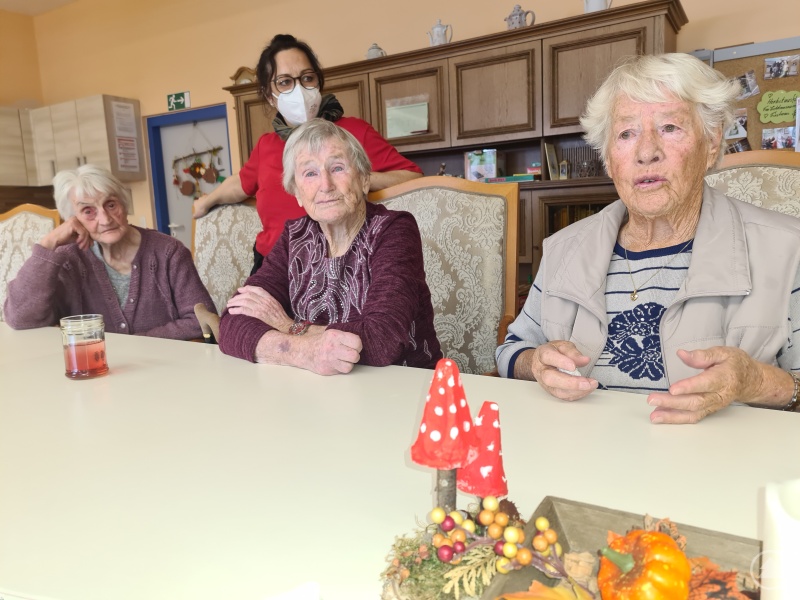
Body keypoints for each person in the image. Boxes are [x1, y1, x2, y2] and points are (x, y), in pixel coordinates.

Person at [496, 53, 800, 424]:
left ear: (711, 143)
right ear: (609, 159)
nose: (646, 152)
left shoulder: (787, 249)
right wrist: (535, 363)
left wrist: (756, 381)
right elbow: (512, 350)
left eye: (670, 127)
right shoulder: (564, 247)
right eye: (626, 133)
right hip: (577, 460)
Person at [218, 119, 441, 375]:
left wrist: (288, 325)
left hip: (402, 389)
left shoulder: (394, 230)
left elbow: (382, 340)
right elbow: (231, 322)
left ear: (364, 180)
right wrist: (303, 352)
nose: (326, 185)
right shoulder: (295, 236)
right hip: (318, 394)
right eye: (310, 173)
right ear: (298, 194)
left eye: (337, 168)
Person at [193, 34, 422, 273]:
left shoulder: (354, 132)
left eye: (307, 78)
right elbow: (240, 184)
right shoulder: (266, 145)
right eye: (284, 82)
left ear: (318, 83)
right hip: (271, 265)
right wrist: (206, 201)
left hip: (338, 264)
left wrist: (358, 176)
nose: (299, 89)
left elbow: (412, 176)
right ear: (269, 95)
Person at [4, 164, 215, 340]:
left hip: (165, 374)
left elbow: (202, 319)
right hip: (91, 378)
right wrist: (49, 243)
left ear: (123, 204)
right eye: (88, 211)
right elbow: (20, 319)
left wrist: (135, 346)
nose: (105, 219)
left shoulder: (168, 252)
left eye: (111, 204)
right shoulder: (67, 259)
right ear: (73, 219)